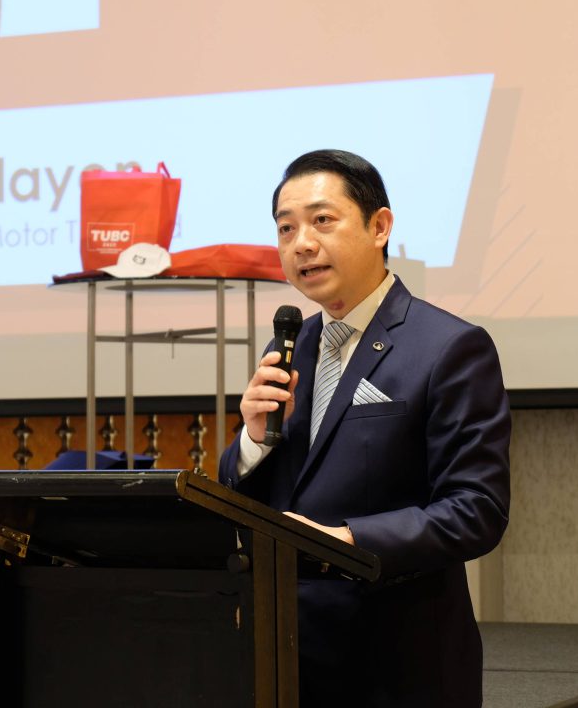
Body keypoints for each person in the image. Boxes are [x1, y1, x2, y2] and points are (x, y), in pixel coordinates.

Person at [218, 149, 511, 707]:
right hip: (285, 657)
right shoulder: (291, 343)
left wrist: (348, 542)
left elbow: (477, 510)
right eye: (286, 228)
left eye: (322, 220)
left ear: (380, 227)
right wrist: (252, 440)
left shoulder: (449, 347)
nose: (302, 243)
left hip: (395, 663)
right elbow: (256, 496)